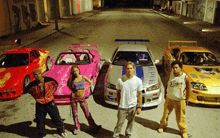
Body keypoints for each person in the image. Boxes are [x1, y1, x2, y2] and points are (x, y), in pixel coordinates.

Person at [25, 68, 67, 138]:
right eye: (35, 75)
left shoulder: (48, 80)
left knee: (56, 117)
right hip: (40, 104)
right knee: (40, 120)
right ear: (34, 76)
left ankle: (61, 131)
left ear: (41, 73)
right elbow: (26, 90)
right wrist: (35, 96)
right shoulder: (32, 84)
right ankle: (42, 133)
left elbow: (55, 84)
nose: (37, 76)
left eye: (39, 74)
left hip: (50, 102)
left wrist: (51, 92)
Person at [158, 61, 190, 138]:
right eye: (173, 68)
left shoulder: (185, 77)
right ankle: (162, 126)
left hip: (180, 100)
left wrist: (187, 99)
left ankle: (183, 130)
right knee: (165, 114)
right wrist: (165, 94)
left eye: (176, 67)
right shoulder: (170, 75)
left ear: (180, 68)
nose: (174, 69)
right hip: (170, 98)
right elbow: (166, 84)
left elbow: (189, 88)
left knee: (180, 117)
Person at [67, 65, 101, 135]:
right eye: (74, 71)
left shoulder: (83, 77)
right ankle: (76, 127)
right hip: (74, 98)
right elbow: (68, 85)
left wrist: (85, 89)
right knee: (75, 113)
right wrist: (73, 91)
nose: (75, 72)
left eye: (76, 70)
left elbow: (91, 83)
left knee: (87, 112)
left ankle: (93, 126)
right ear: (72, 73)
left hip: (82, 97)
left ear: (79, 70)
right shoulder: (72, 79)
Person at [113, 61, 142, 138]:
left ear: (134, 69)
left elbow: (139, 94)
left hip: (133, 106)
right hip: (123, 106)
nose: (129, 70)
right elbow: (118, 93)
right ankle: (115, 135)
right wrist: (119, 103)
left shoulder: (138, 81)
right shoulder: (120, 80)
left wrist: (139, 107)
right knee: (119, 123)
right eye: (127, 68)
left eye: (131, 68)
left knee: (131, 122)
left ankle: (128, 134)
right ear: (125, 69)